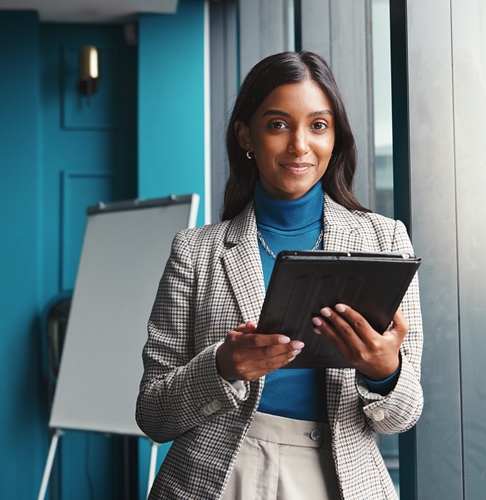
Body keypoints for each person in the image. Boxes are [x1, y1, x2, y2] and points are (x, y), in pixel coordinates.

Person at [136, 51, 424, 499]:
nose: (299, 146)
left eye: (318, 125)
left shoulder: (385, 241)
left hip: (337, 479)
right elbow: (154, 414)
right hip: (216, 478)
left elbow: (402, 416)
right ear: (245, 135)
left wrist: (384, 371)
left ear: (335, 138)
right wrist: (223, 366)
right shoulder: (195, 251)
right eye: (277, 124)